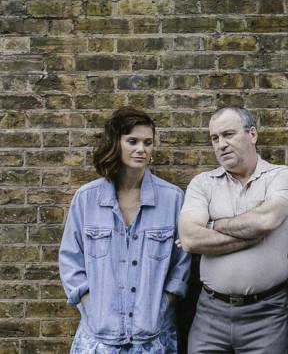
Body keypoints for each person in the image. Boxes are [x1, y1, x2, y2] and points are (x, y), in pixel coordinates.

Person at [59, 107, 191, 353]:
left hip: (154, 339)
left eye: (148, 142)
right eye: (133, 141)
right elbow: (70, 261)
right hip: (98, 340)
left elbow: (181, 262)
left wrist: (163, 304)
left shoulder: (172, 199)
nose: (142, 149)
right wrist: (91, 305)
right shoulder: (87, 199)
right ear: (115, 144)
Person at [176, 107, 288, 353]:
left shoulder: (281, 176)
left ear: (252, 134)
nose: (221, 144)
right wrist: (250, 235)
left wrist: (213, 225)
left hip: (266, 313)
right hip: (210, 313)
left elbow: (264, 222)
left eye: (228, 134)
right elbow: (189, 239)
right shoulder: (203, 183)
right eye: (215, 138)